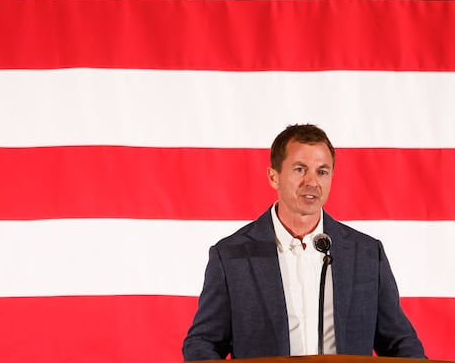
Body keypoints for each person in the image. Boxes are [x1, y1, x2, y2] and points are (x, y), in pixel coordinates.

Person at [182, 124, 425, 360]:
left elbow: (399, 343)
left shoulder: (366, 253)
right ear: (274, 177)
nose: (312, 182)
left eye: (322, 172)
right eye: (300, 169)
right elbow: (202, 343)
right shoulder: (231, 256)